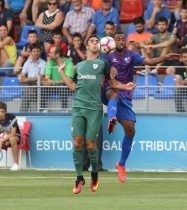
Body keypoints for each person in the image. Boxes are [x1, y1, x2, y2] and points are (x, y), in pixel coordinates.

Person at [58, 34, 136, 194]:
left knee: (91, 144)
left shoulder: (103, 64)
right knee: (77, 143)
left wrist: (125, 87)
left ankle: (94, 173)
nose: (94, 43)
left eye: (96, 41)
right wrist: (62, 73)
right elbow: (72, 86)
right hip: (78, 107)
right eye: (92, 41)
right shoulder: (78, 66)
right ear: (87, 46)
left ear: (100, 47)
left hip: (94, 108)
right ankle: (79, 178)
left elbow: (112, 83)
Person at [102, 31, 179, 183]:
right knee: (113, 95)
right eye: (118, 39)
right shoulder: (107, 55)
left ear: (126, 41)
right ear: (113, 41)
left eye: (124, 38)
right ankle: (112, 119)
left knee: (130, 130)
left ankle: (121, 164)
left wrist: (164, 57)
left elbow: (149, 61)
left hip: (126, 93)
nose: (121, 41)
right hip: (109, 89)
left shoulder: (132, 54)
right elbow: (100, 68)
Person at [44, 46, 74, 110]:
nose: (49, 54)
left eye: (51, 53)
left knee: (63, 89)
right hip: (52, 86)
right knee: (43, 88)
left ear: (57, 55)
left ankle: (64, 110)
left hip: (65, 86)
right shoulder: (50, 62)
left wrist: (53, 82)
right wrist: (48, 82)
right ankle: (42, 109)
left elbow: (69, 80)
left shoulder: (68, 63)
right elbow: (47, 78)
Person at [19, 43, 47, 112]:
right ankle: (23, 114)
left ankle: (41, 112)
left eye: (38, 51)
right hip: (30, 86)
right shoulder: (27, 62)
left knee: (31, 92)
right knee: (26, 95)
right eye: (34, 51)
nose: (36, 53)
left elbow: (40, 78)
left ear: (40, 52)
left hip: (40, 85)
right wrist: (22, 77)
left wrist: (27, 79)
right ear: (31, 52)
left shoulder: (44, 63)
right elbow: (22, 76)